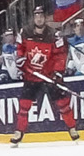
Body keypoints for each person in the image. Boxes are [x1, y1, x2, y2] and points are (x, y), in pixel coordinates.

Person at [11, 15, 80, 146]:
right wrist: (21, 61)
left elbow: (60, 54)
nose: (39, 19)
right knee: (24, 105)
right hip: (32, 75)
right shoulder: (25, 32)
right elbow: (20, 49)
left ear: (45, 18)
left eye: (41, 16)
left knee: (63, 103)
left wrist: (57, 72)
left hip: (49, 75)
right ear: (33, 18)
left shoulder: (55, 35)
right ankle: (19, 132)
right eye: (36, 16)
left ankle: (72, 128)